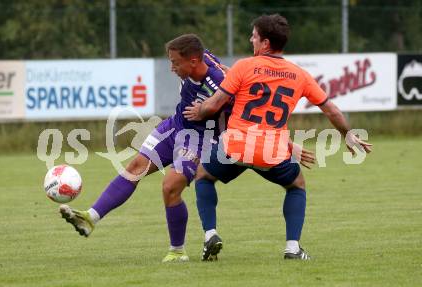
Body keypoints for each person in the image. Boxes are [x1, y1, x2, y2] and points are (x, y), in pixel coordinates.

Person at [183, 14, 372, 260]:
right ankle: (293, 248)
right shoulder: (300, 75)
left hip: (236, 146)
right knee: (297, 186)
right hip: (271, 152)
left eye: (254, 36)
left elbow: (214, 105)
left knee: (203, 177)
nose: (251, 39)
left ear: (265, 43)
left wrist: (200, 109)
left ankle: (210, 235)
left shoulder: (244, 66)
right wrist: (347, 136)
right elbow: (331, 110)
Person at [59, 34, 230, 263]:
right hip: (175, 125)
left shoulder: (217, 82)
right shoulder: (204, 56)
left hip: (199, 139)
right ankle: (90, 218)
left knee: (170, 186)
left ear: (193, 61)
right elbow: (228, 69)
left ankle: (177, 251)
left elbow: (234, 97)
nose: (171, 68)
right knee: (135, 166)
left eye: (175, 62)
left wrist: (208, 111)